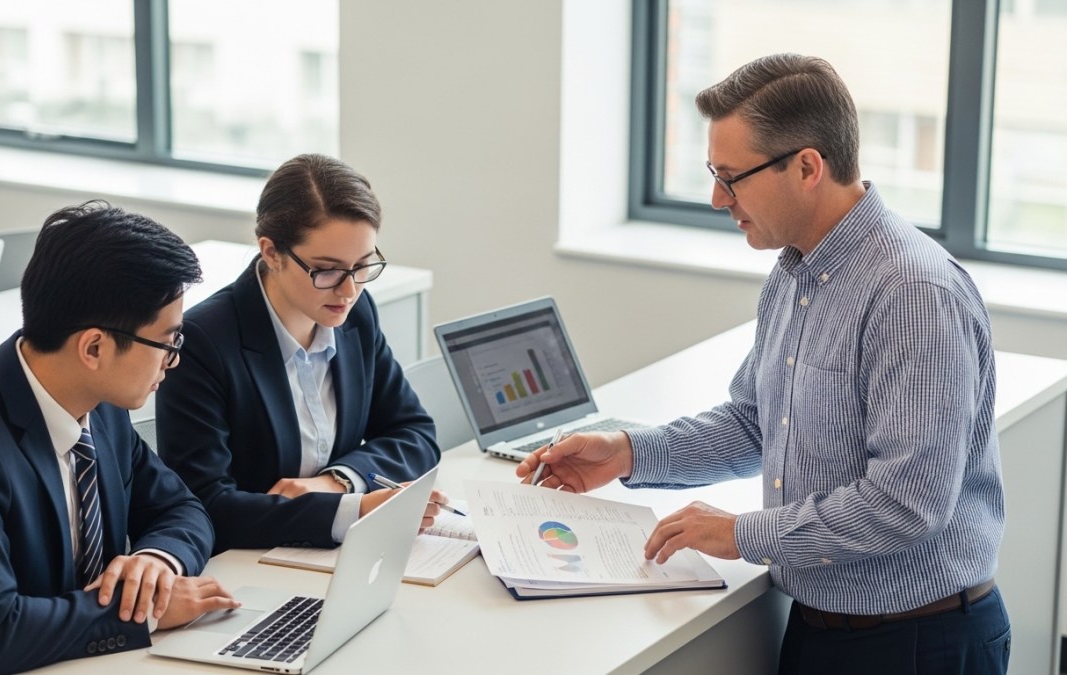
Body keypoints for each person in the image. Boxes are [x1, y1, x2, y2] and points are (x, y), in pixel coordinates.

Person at [517, 54, 1010, 674]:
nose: (717, 198)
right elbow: (756, 422)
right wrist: (627, 453)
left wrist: (745, 533)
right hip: (820, 627)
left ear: (807, 166)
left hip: (914, 644)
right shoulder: (795, 272)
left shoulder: (911, 294)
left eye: (732, 176)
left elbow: (907, 502)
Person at [0, 202, 239, 675]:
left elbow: (181, 508)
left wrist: (156, 564)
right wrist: (145, 612)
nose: (174, 360)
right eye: (167, 344)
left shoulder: (100, 401)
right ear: (94, 348)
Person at [157, 153, 442, 553]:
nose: (349, 290)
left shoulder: (356, 314)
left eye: (363, 265)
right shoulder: (205, 341)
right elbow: (203, 504)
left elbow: (414, 433)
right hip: (251, 561)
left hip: (335, 554)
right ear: (271, 252)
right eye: (327, 270)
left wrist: (337, 482)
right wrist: (350, 511)